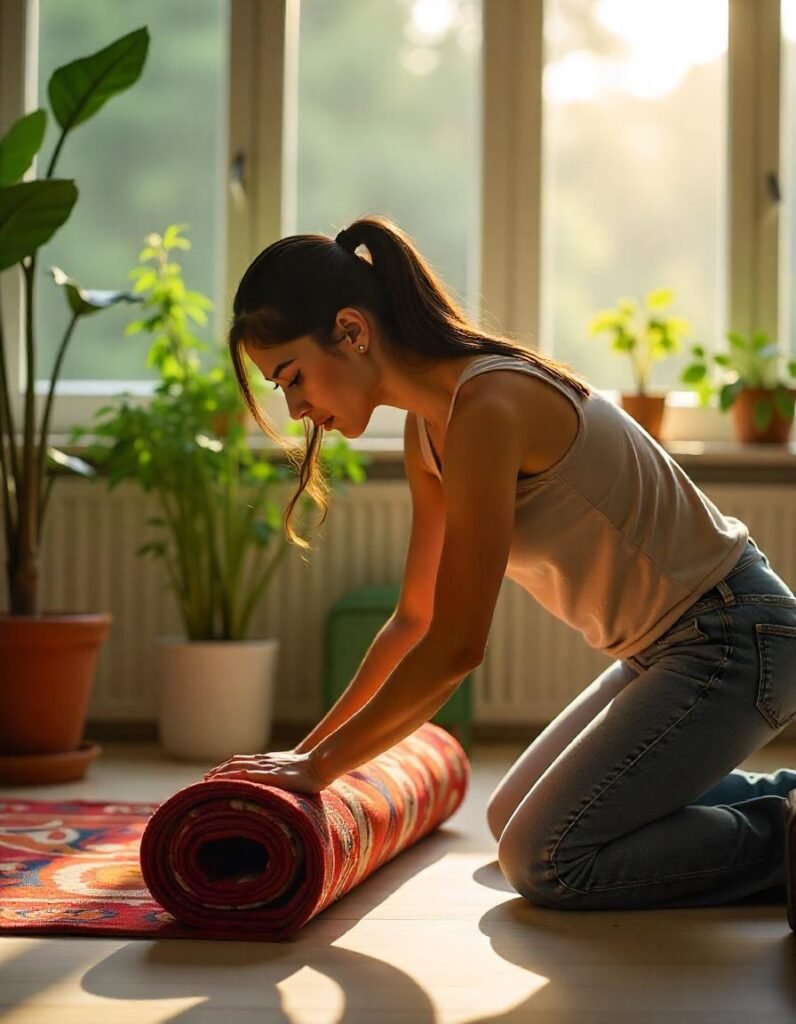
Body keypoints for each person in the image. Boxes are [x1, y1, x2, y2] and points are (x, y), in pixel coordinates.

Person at [203, 214, 796, 928]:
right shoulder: (431, 431)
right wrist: (301, 758)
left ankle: (780, 843)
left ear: (353, 331)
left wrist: (324, 768)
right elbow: (413, 620)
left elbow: (456, 646)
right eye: (280, 390)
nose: (296, 408)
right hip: (667, 651)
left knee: (547, 858)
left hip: (736, 637)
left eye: (292, 377)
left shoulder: (489, 404)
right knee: (512, 813)